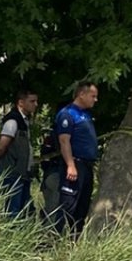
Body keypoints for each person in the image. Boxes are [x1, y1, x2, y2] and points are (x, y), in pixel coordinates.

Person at [55, 81, 99, 236]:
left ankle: (75, 241)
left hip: (87, 166)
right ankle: (54, 240)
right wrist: (70, 165)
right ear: (82, 94)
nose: (95, 99)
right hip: (75, 164)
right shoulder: (67, 114)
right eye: (93, 96)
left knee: (82, 206)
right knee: (68, 204)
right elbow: (64, 141)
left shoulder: (86, 114)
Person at [0, 90, 38, 218]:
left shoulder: (24, 121)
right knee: (13, 210)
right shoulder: (13, 121)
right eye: (32, 101)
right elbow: (3, 145)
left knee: (24, 209)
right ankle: (10, 234)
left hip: (21, 173)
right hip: (12, 173)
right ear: (21, 103)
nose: (36, 104)